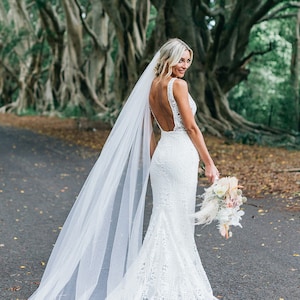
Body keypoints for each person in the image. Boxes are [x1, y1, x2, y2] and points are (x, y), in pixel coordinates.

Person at [29, 38, 219, 299]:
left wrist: (155, 159)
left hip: (163, 157)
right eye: (181, 59)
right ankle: (173, 284)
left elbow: (148, 129)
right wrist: (209, 162)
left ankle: (161, 279)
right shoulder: (179, 85)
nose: (185, 65)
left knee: (164, 218)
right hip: (181, 156)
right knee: (177, 220)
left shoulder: (151, 87)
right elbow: (191, 127)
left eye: (188, 60)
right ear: (168, 58)